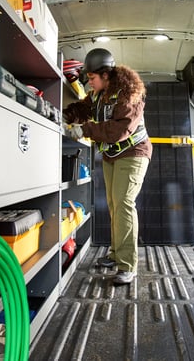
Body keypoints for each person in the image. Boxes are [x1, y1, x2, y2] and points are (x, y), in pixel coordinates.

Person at [63, 48, 152, 284]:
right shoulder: (97, 95)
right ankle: (115, 254)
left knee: (123, 204)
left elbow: (119, 131)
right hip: (112, 156)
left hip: (133, 152)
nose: (89, 83)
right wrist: (66, 116)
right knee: (114, 205)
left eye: (92, 78)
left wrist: (86, 129)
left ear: (105, 75)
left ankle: (127, 266)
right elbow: (84, 108)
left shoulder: (129, 93)